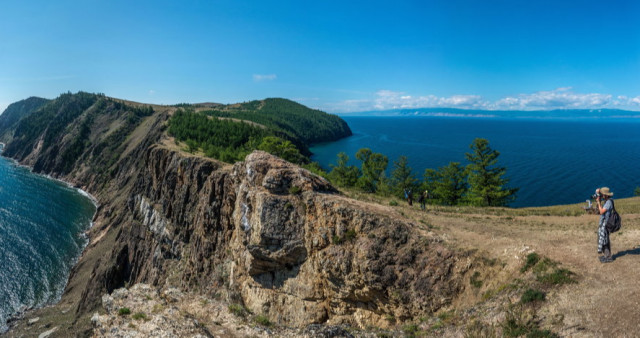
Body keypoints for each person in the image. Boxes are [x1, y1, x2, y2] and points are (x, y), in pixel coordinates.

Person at [596, 187, 614, 263]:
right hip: (604, 223)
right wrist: (597, 193)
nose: (602, 195)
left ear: (606, 195)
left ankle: (608, 257)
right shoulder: (607, 200)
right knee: (603, 239)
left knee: (605, 240)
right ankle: (606, 255)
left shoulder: (608, 202)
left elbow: (601, 212)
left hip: (606, 224)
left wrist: (599, 203)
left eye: (603, 194)